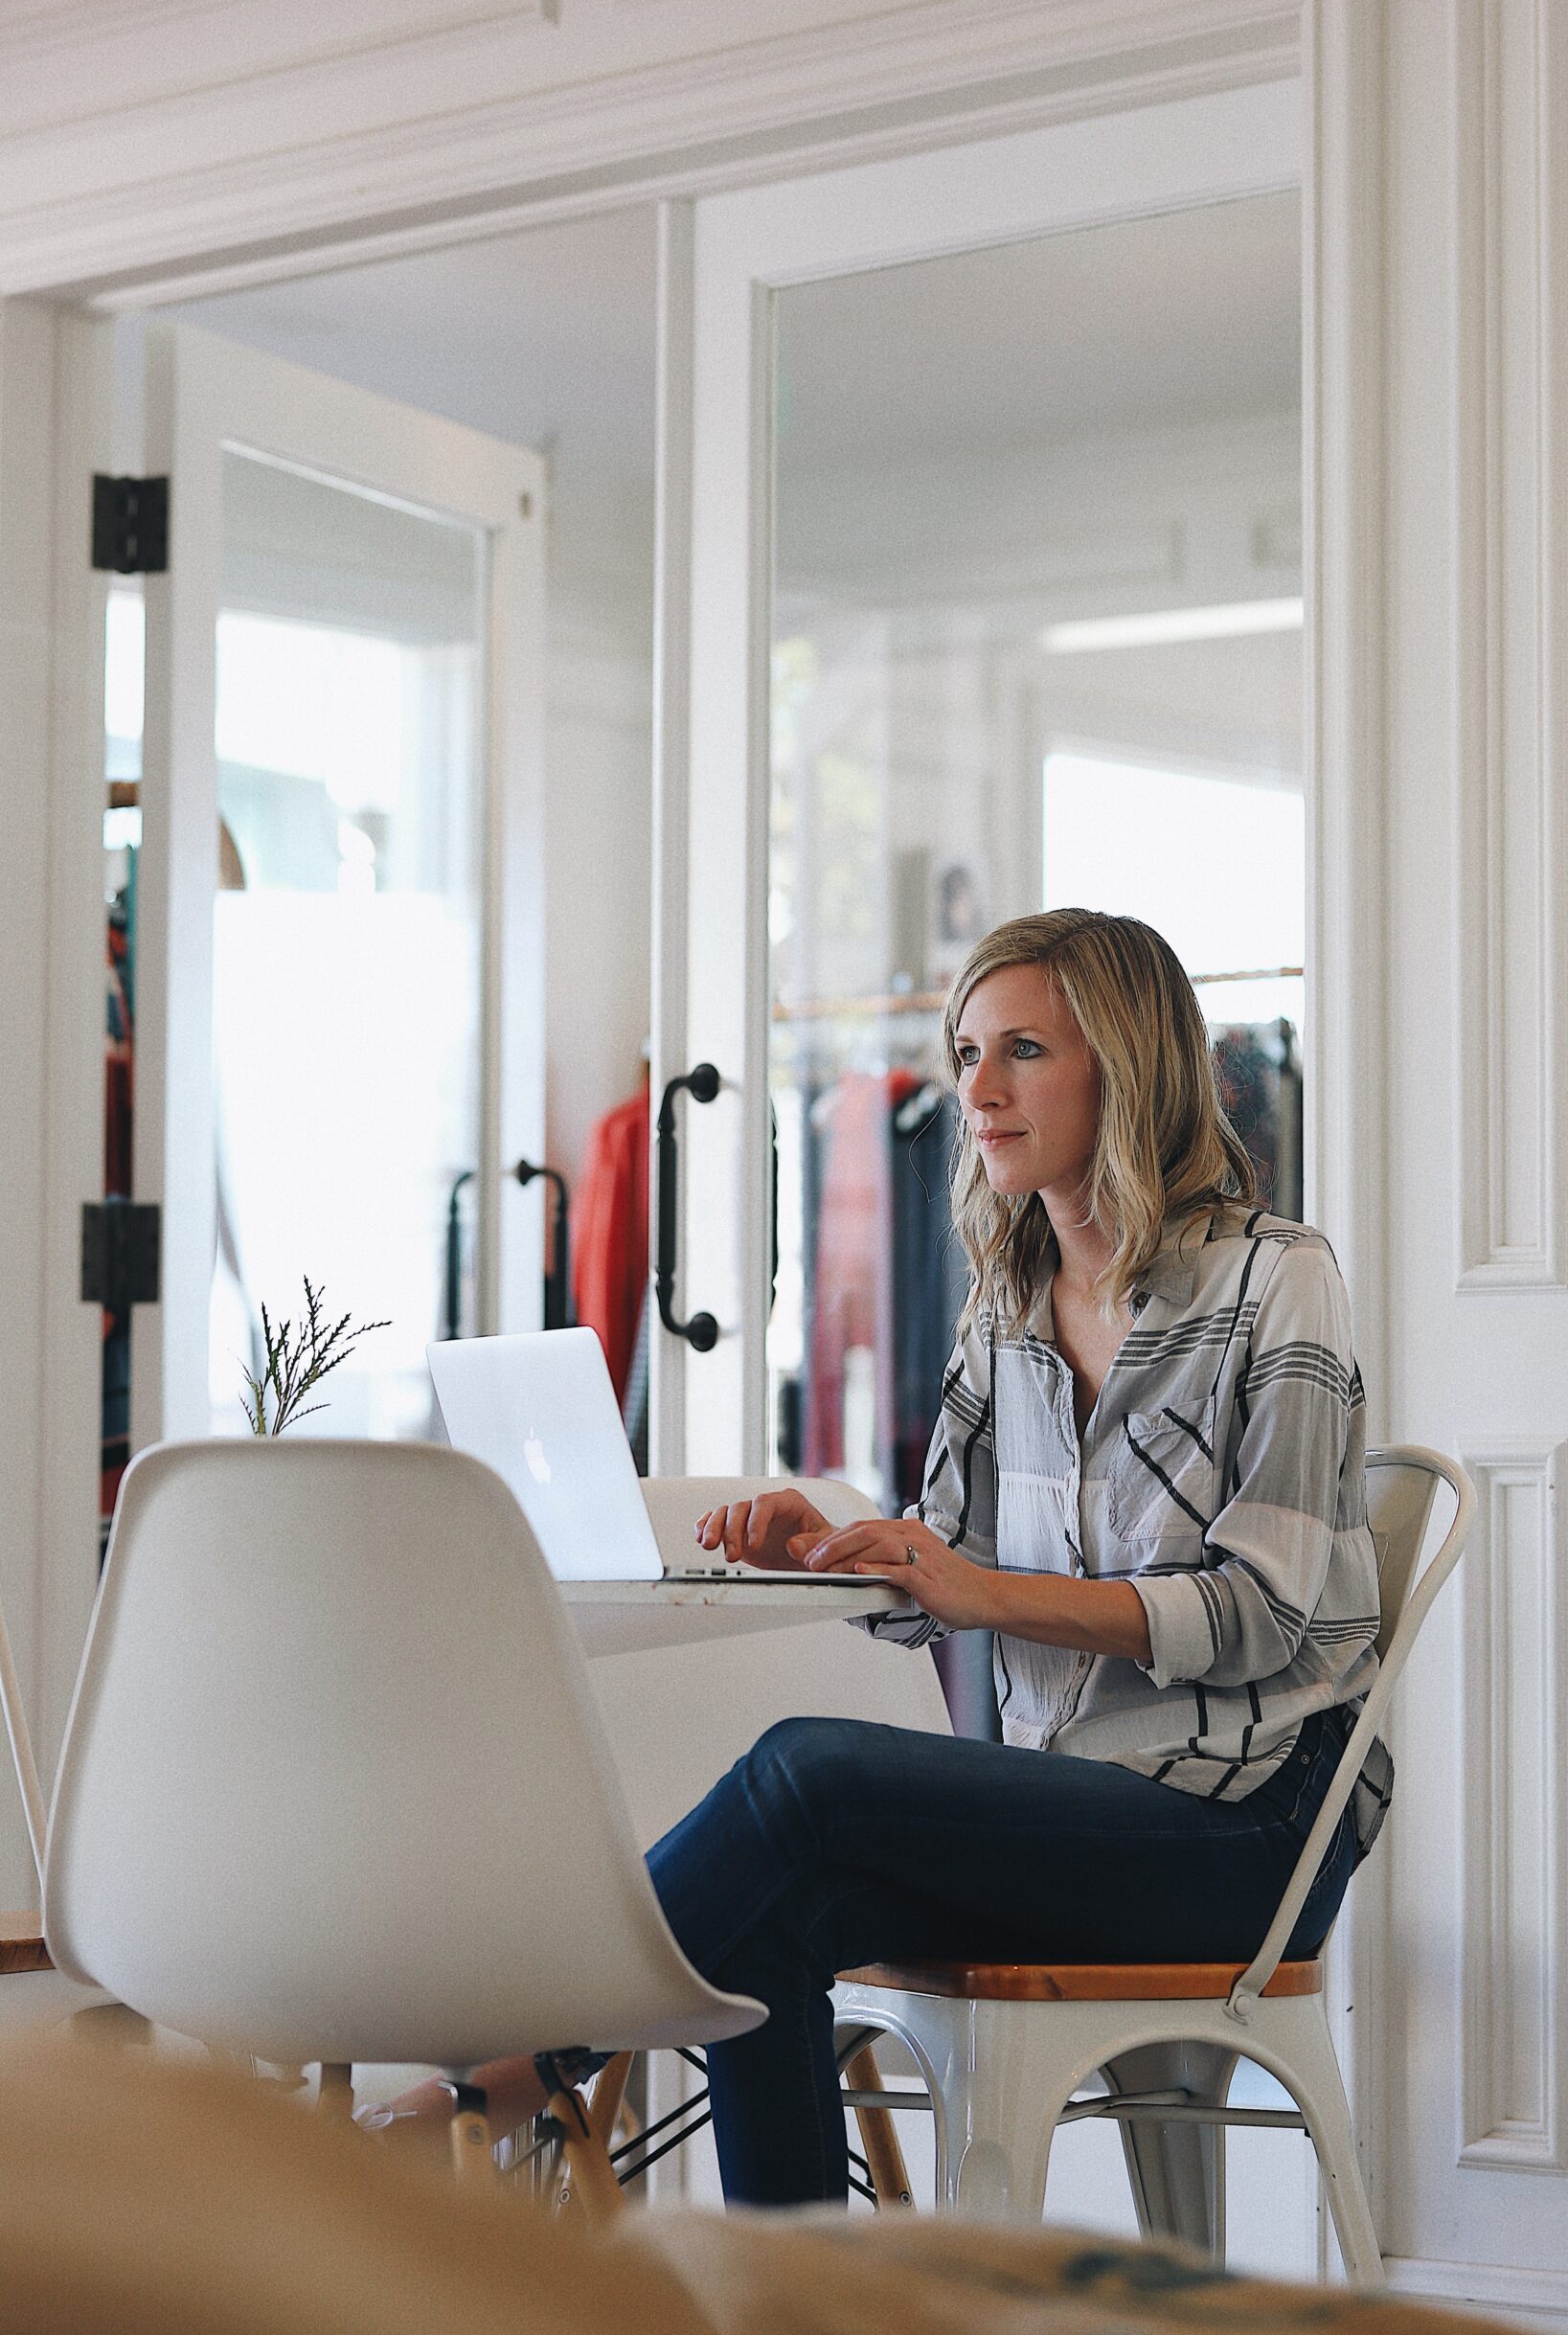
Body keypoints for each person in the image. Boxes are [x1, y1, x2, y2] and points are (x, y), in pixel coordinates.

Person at [376, 908, 1389, 2206]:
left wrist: (976, 1588)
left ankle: (515, 2058)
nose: (974, 1086)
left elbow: (1263, 1613)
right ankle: (794, 2296)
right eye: (966, 1050)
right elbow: (941, 1577)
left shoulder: (1276, 1281)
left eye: (1022, 1049)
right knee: (769, 1926)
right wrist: (834, 1550)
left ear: (1127, 1068)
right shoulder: (1007, 1303)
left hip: (1243, 1830)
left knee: (811, 1771)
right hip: (1075, 1807)